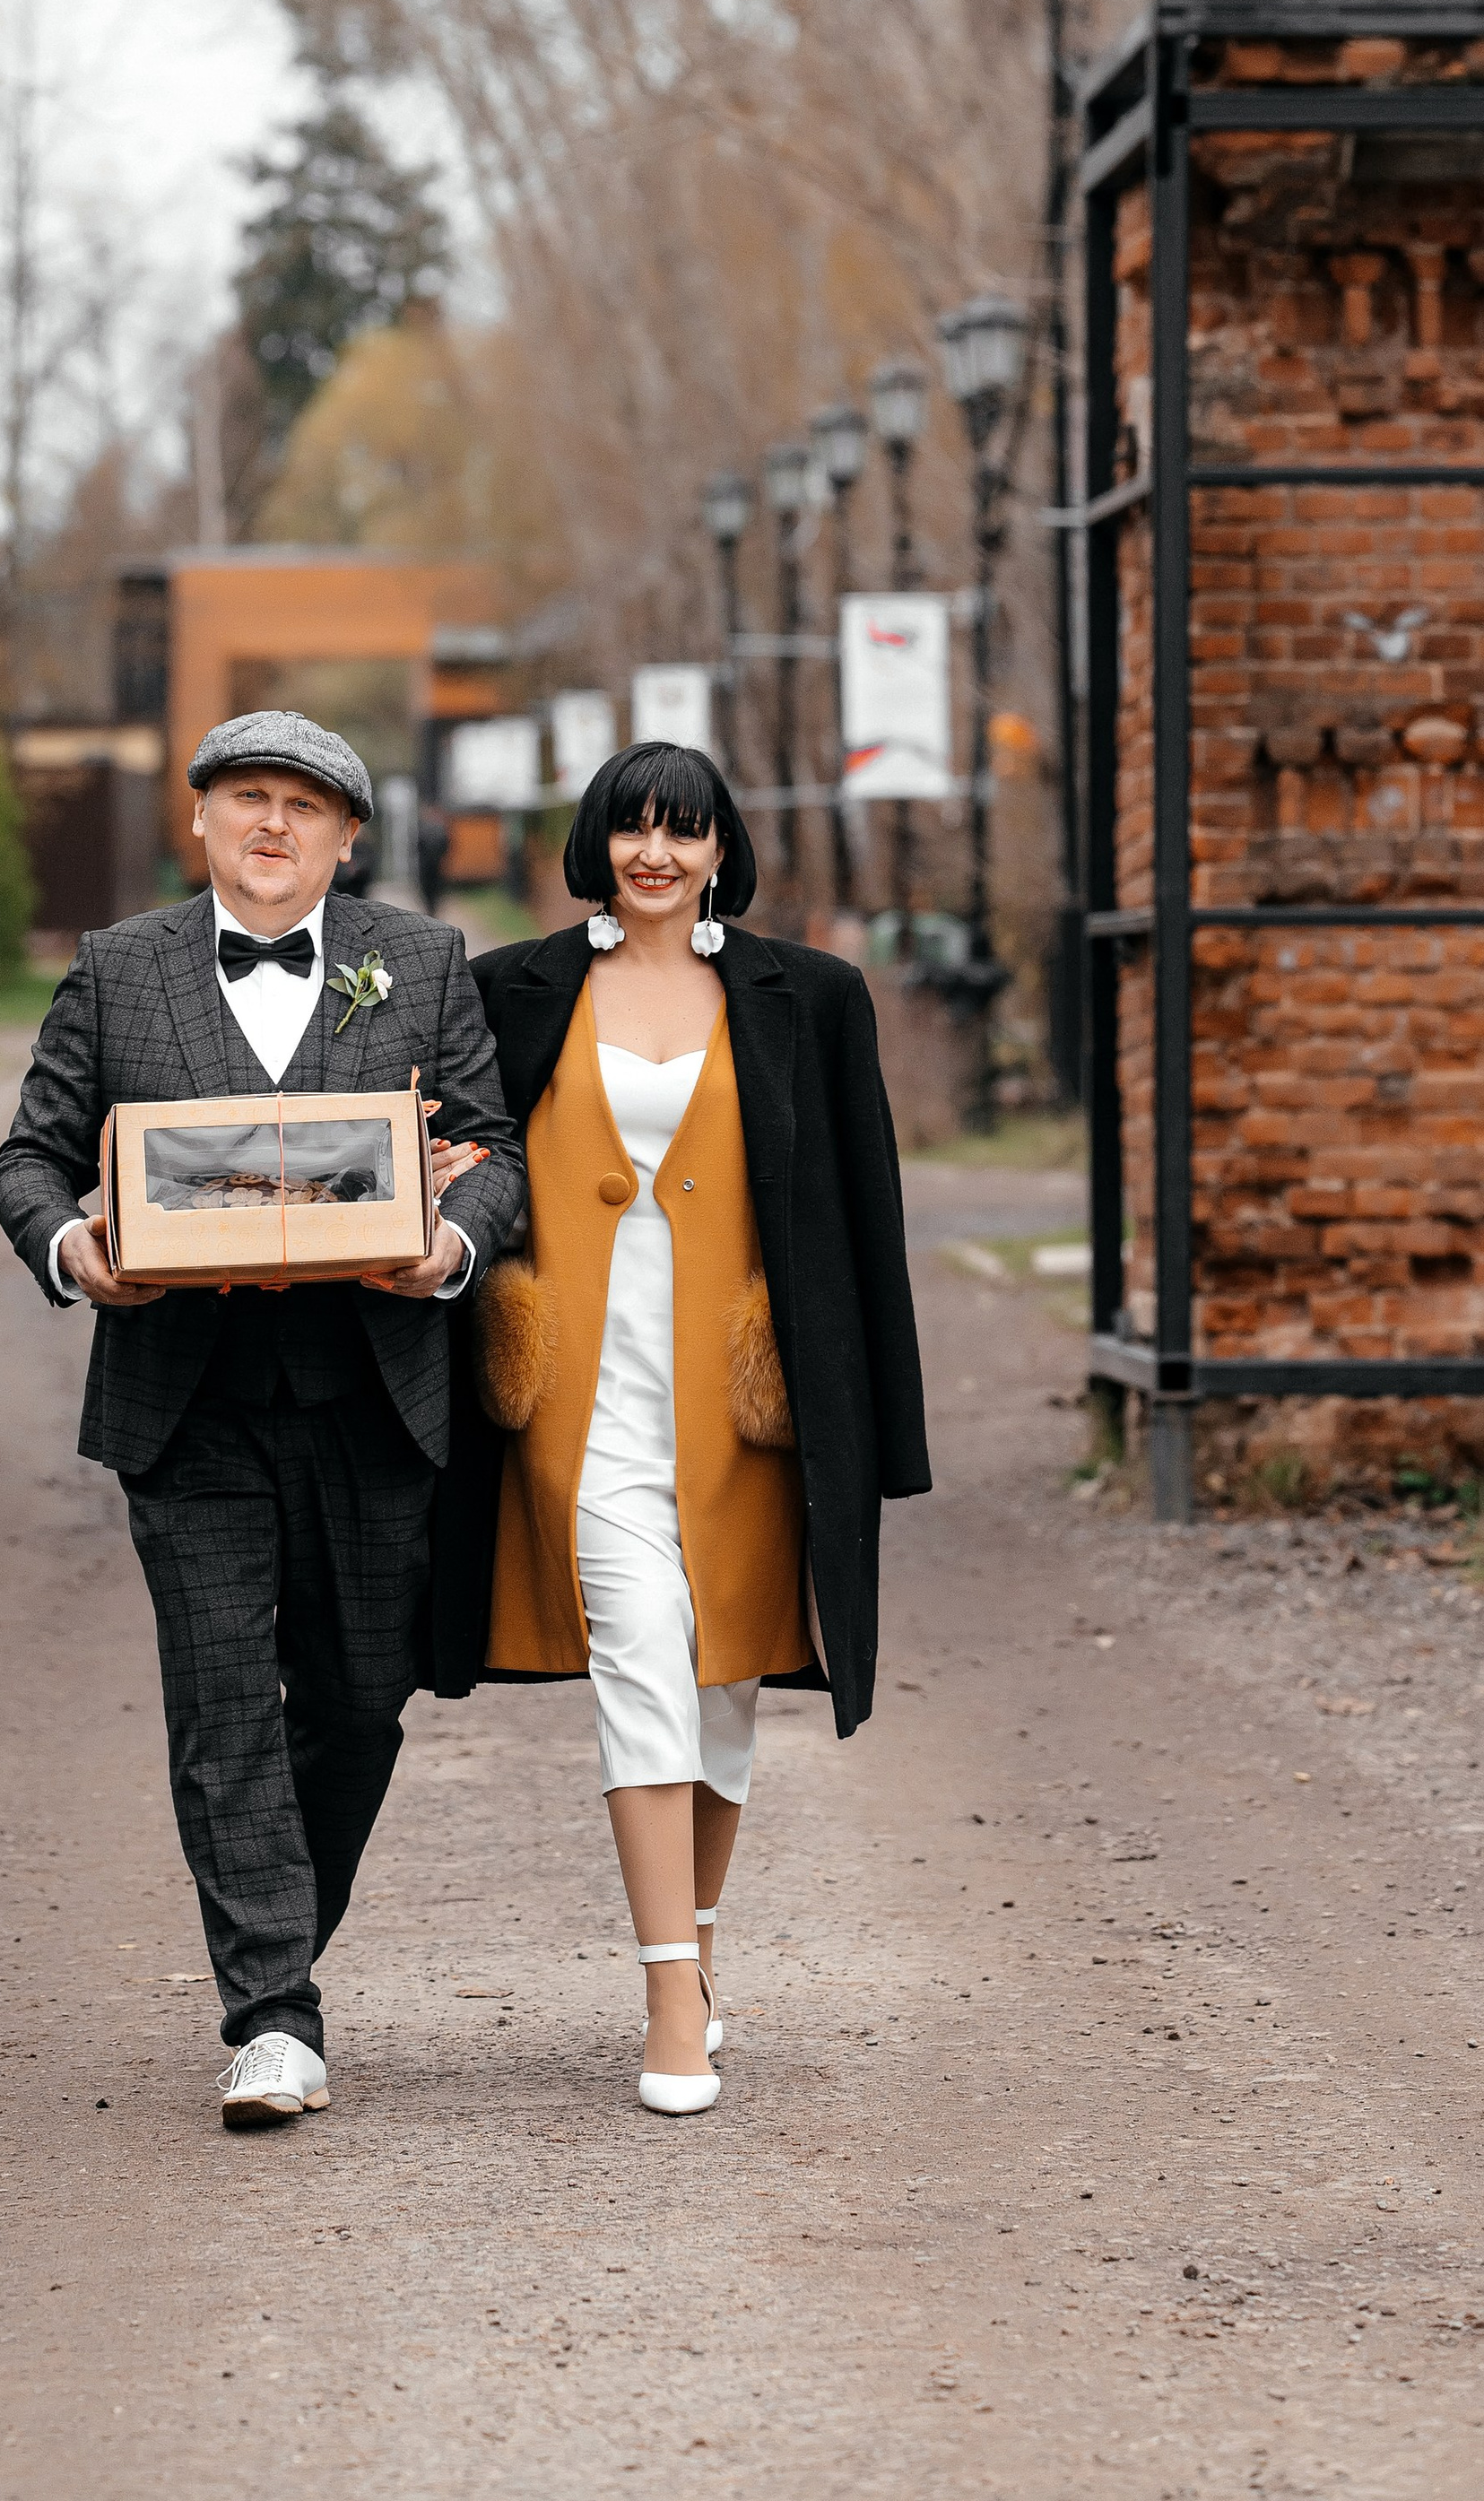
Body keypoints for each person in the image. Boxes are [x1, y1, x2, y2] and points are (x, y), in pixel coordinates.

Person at [0, 709, 524, 2132]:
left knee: (357, 1703)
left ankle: (276, 1936)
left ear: (348, 837)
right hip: (191, 1404)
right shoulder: (118, 970)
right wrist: (71, 1251)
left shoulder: (420, 963)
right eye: (244, 799)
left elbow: (492, 1150)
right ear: (204, 823)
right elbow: (33, 1156)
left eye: (301, 804)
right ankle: (275, 2016)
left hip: (372, 1395)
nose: (271, 825)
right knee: (223, 1704)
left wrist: (453, 1244)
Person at [463, 741, 926, 2115]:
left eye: (683, 829)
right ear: (595, 846)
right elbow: (466, 1148)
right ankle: (670, 1996)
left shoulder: (811, 999)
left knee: (726, 1689)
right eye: (629, 828)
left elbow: (866, 1218)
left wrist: (883, 1428)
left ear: (724, 848)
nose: (653, 853)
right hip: (579, 1398)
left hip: (743, 1405)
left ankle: (700, 1946)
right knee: (646, 1662)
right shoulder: (512, 992)